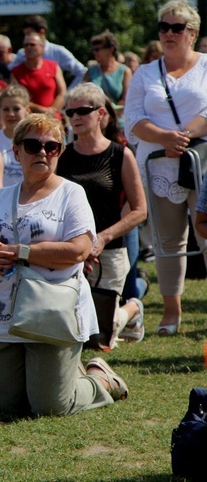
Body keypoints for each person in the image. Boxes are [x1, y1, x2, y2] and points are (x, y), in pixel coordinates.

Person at [0, 113, 129, 416]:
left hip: (52, 310)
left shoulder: (71, 194)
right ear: (16, 151)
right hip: (2, 314)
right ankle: (63, 375)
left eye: (52, 146)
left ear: (60, 152)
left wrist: (22, 251)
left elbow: (79, 250)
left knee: (50, 406)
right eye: (32, 145)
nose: (42, 152)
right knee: (8, 404)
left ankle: (99, 379)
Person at [125, 0, 207, 335]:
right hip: (159, 165)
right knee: (168, 240)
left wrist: (183, 137)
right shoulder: (145, 73)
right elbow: (132, 119)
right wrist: (164, 138)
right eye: (164, 27)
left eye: (177, 28)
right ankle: (171, 313)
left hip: (202, 162)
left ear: (193, 33)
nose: (169, 34)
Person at [57, 83, 147, 345]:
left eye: (83, 111)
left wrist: (103, 238)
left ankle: (132, 309)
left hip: (110, 250)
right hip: (71, 250)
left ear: (101, 114)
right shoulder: (62, 156)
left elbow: (140, 211)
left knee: (98, 337)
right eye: (70, 112)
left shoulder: (120, 155)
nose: (75, 117)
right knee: (76, 331)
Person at [8, 15, 87, 87]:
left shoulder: (58, 51)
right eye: (25, 35)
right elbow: (11, 73)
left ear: (42, 32)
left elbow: (82, 72)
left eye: (29, 33)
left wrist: (69, 94)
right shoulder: (22, 53)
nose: (27, 38)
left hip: (55, 100)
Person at [11, 32, 67, 118]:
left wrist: (51, 112)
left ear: (42, 48)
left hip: (53, 120)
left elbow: (62, 93)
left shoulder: (53, 67)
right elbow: (16, 98)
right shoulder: (16, 72)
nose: (28, 48)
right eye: (26, 45)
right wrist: (41, 110)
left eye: (32, 45)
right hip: (28, 120)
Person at [0, 85, 31, 187]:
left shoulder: (37, 141)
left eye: (16, 109)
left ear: (27, 110)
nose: (11, 114)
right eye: (6, 109)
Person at [85, 31, 132, 108]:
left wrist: (110, 115)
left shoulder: (125, 71)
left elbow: (126, 100)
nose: (94, 52)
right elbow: (83, 95)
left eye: (97, 49)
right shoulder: (90, 71)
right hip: (94, 115)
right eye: (93, 50)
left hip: (117, 116)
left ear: (111, 49)